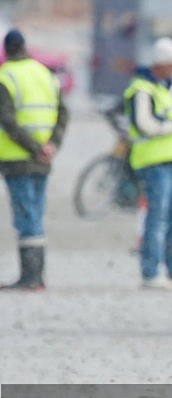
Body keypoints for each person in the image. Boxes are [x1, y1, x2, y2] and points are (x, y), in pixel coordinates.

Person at [0, 29, 69, 291]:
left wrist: (33, 148)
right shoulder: (46, 74)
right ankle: (36, 276)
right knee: (36, 214)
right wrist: (52, 145)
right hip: (44, 159)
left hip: (17, 159)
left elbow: (7, 120)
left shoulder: (5, 77)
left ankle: (31, 277)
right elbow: (63, 112)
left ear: (6, 50)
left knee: (26, 217)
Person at [122, 37, 172, 289]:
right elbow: (144, 125)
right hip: (153, 163)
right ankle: (150, 272)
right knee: (156, 219)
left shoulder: (165, 88)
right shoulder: (142, 89)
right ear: (162, 64)